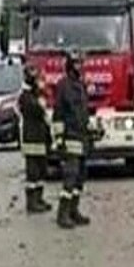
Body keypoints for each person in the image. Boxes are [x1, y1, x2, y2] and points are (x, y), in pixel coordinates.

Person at [53, 48, 92, 229]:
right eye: (76, 63)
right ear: (69, 65)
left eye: (80, 63)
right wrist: (59, 138)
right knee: (70, 177)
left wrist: (91, 127)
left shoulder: (81, 85)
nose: (79, 67)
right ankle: (62, 214)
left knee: (80, 179)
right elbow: (58, 113)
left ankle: (73, 211)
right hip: (70, 137)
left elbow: (84, 111)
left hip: (82, 136)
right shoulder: (63, 85)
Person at [18, 63, 53, 214]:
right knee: (32, 172)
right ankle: (31, 202)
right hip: (31, 138)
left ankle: (39, 199)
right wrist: (40, 100)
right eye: (32, 73)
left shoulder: (35, 93)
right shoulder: (25, 96)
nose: (35, 76)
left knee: (41, 171)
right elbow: (36, 110)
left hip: (40, 137)